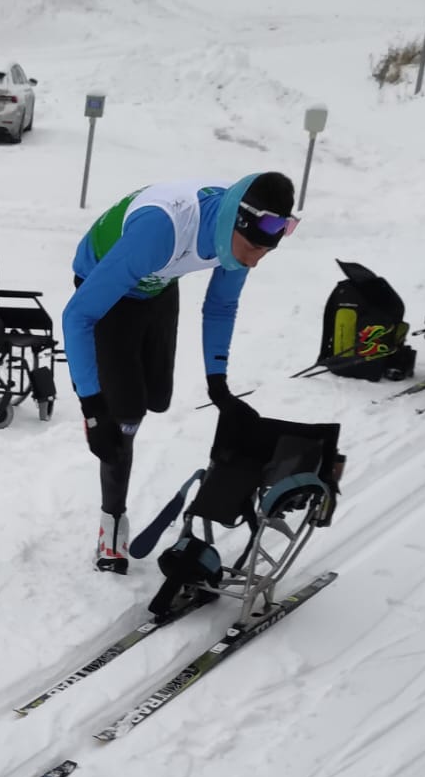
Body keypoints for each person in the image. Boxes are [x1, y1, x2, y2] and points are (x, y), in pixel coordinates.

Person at [61, 172, 298, 574]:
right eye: (253, 248)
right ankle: (111, 523)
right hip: (108, 287)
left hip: (157, 283)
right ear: (235, 224)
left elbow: (221, 306)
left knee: (158, 398)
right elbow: (77, 316)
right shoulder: (161, 230)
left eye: (266, 252)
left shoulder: (235, 236)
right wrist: (92, 407)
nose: (255, 260)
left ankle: (121, 414)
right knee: (125, 418)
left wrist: (218, 384)